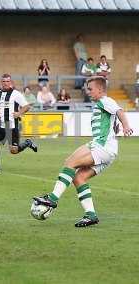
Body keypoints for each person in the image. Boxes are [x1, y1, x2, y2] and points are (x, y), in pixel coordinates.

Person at [33, 76, 133, 227]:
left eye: (90, 89)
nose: (88, 92)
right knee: (79, 178)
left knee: (70, 163)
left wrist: (125, 125)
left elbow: (119, 111)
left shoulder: (105, 100)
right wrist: (117, 126)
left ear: (100, 89)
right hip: (106, 149)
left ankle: (52, 199)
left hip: (102, 147)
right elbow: (113, 118)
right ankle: (91, 215)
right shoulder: (101, 104)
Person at [0, 74, 38, 172]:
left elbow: (26, 106)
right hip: (0, 125)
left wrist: (19, 113)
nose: (5, 83)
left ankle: (27, 143)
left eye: (7, 81)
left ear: (10, 82)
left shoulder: (16, 94)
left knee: (13, 151)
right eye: (4, 81)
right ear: (1, 82)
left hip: (12, 126)